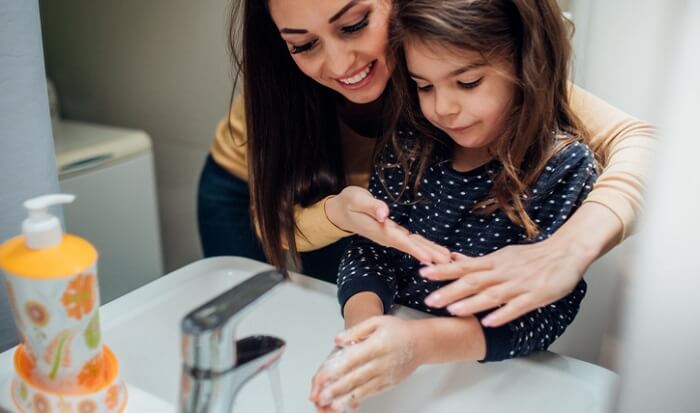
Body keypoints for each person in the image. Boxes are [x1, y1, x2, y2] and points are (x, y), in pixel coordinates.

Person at [198, 0, 654, 320]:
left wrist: (568, 248)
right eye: (303, 44)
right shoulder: (280, 93)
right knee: (287, 319)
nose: (339, 64)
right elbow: (273, 228)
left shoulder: (453, 63)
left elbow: (645, 144)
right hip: (265, 196)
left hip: (367, 213)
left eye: (355, 24)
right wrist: (336, 215)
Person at [309, 1, 601, 410]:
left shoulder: (563, 167)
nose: (442, 108)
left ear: (526, 65)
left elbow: (545, 311)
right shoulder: (410, 144)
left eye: (467, 83)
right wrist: (364, 329)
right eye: (424, 86)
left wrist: (418, 344)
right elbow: (372, 250)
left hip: (492, 375)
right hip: (401, 352)